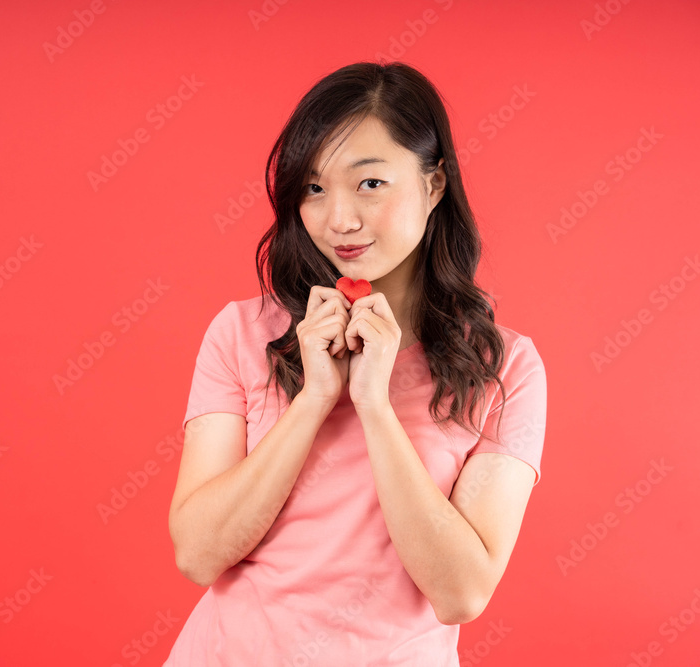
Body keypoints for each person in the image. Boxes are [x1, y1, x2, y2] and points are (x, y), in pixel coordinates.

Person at [163, 61, 548, 666]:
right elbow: (198, 553)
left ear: (434, 185)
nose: (339, 219)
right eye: (314, 188)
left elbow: (462, 592)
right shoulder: (241, 333)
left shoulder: (503, 367)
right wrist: (315, 399)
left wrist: (374, 405)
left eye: (370, 183)